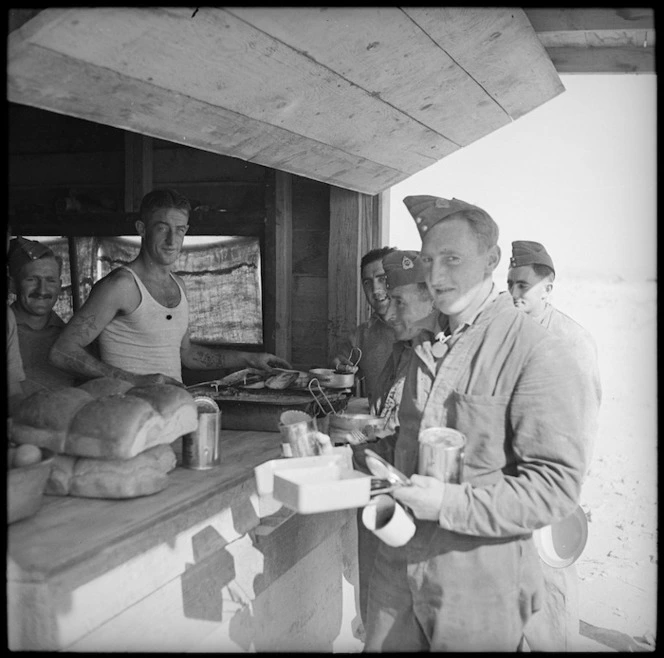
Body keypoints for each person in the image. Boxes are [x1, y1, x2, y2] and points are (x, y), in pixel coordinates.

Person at [363, 196, 596, 652]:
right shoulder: (428, 343)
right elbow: (421, 443)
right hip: (398, 571)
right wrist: (364, 450)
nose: (435, 275)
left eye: (452, 259)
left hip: (476, 587)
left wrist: (447, 503)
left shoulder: (537, 351)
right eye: (429, 260)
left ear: (491, 260)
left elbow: (555, 489)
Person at [50, 188, 290, 386]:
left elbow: (186, 353)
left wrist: (250, 358)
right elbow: (62, 351)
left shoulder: (179, 285)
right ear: (142, 229)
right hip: (126, 410)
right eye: (162, 227)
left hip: (171, 407)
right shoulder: (121, 285)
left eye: (180, 230)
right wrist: (136, 380)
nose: (171, 240)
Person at [507, 239, 602, 652]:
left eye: (522, 285)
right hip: (511, 484)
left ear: (548, 286)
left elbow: (585, 421)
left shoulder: (572, 341)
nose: (513, 293)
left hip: (551, 486)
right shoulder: (508, 334)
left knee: (552, 595)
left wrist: (567, 490)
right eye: (509, 283)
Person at [355, 249, 437, 629]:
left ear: (429, 298)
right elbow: (393, 428)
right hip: (394, 498)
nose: (391, 312)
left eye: (399, 301)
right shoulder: (402, 348)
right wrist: (355, 452)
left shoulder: (438, 354)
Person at [8, 237, 78, 395]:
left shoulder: (70, 337)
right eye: (32, 279)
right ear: (12, 285)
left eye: (50, 281)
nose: (42, 290)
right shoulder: (9, 332)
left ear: (60, 286)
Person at [332, 246, 397, 407]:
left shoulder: (430, 328)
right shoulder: (360, 336)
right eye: (368, 283)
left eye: (382, 279)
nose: (375, 290)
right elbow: (337, 368)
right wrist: (338, 367)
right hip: (378, 425)